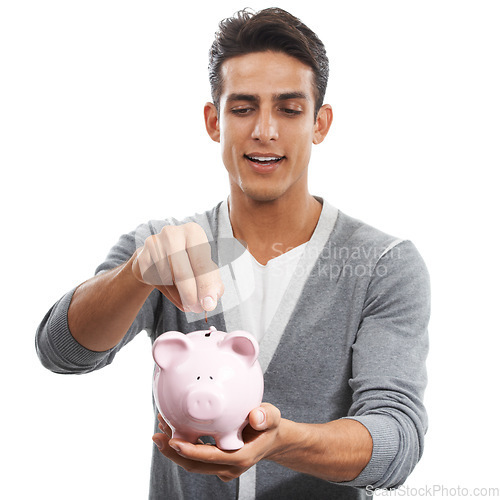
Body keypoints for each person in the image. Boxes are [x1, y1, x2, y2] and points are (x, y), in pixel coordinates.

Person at [36, 7, 430, 499]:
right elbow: (60, 352)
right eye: (243, 108)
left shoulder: (383, 265)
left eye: (289, 109)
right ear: (213, 121)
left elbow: (398, 440)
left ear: (320, 123)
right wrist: (135, 275)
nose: (265, 131)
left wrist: (281, 441)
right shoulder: (163, 247)